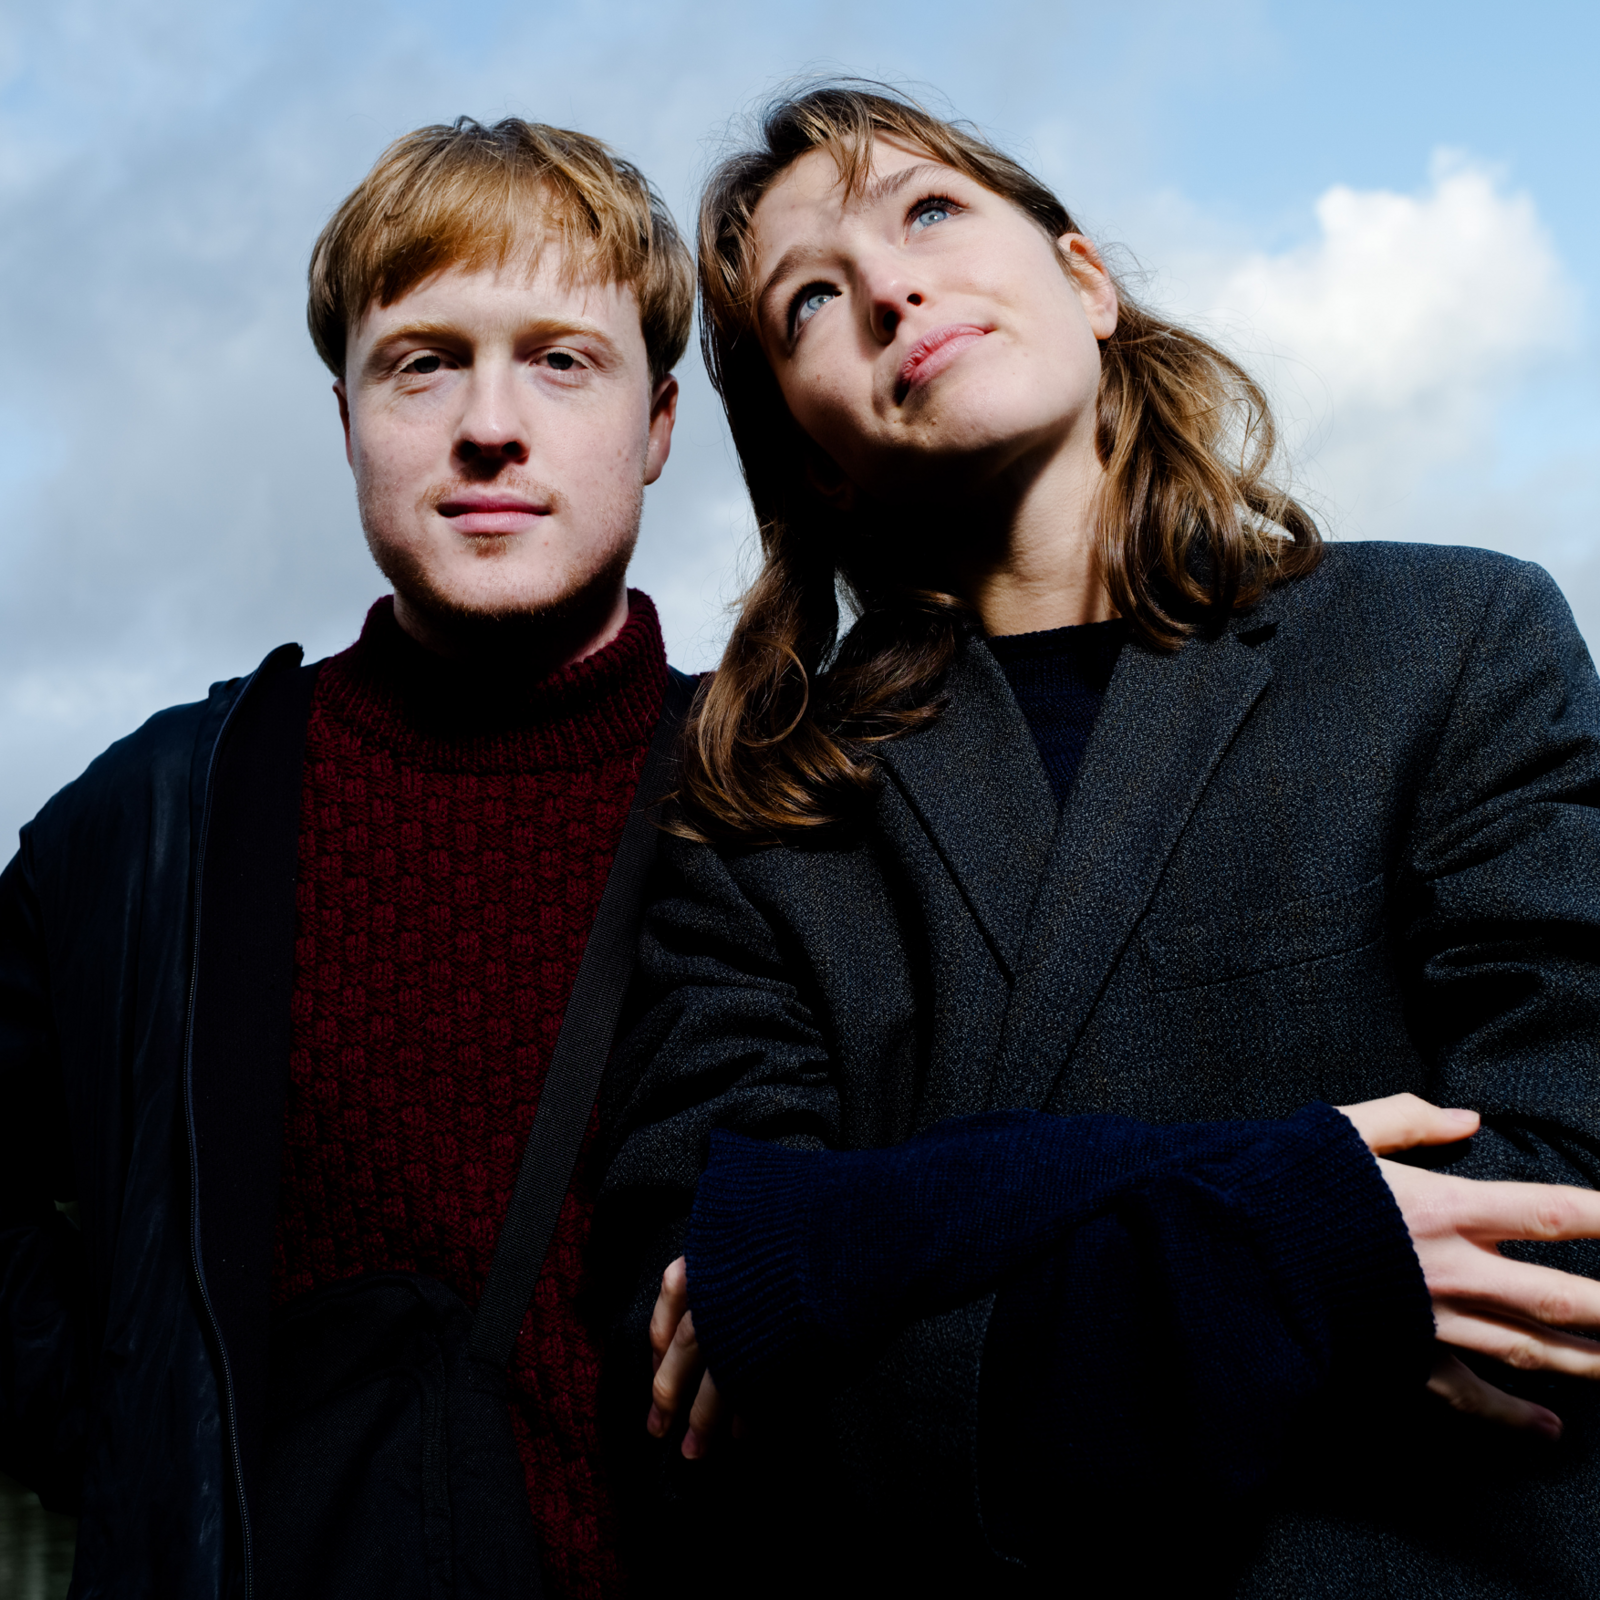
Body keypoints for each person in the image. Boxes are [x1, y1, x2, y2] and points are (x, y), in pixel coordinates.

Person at [600, 86, 1600, 1596]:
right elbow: (701, 1355)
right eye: (810, 299)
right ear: (812, 454)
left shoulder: (1453, 641)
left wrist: (876, 1242)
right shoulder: (761, 804)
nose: (890, 288)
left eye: (931, 211)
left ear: (1085, 282)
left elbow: (1569, 1227)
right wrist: (1304, 1239)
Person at [0, 116, 693, 1598]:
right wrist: (127, 1442)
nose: (489, 424)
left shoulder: (790, 795)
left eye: (562, 361)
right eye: (423, 362)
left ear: (657, 426)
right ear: (348, 420)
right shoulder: (157, 822)